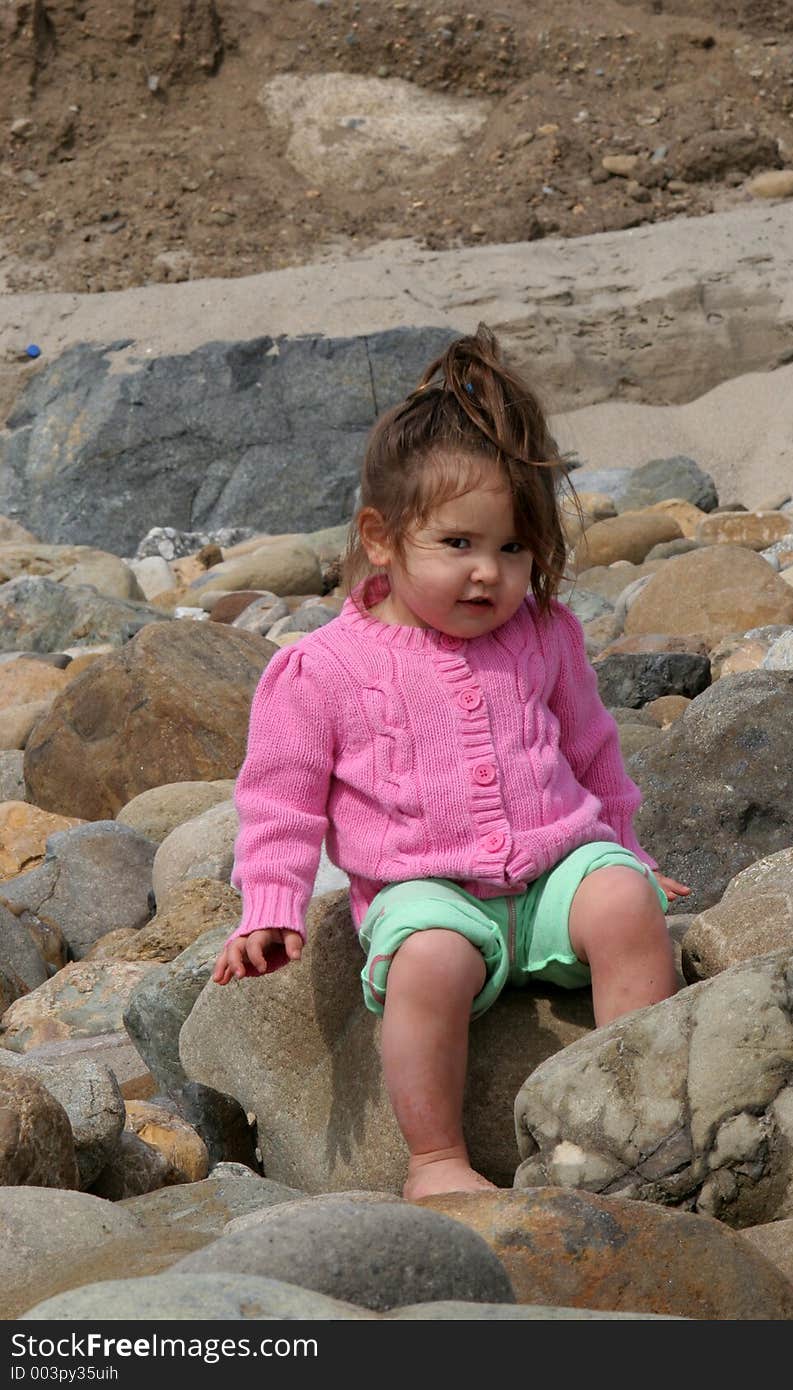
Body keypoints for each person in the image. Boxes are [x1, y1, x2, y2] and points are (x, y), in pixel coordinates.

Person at [212, 325, 689, 1200]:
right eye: (459, 545)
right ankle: (436, 1159)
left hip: (554, 870)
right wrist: (269, 905)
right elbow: (279, 800)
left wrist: (630, 851)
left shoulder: (544, 635)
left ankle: (636, 1109)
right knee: (427, 964)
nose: (489, 576)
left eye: (514, 550)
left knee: (625, 902)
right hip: (422, 889)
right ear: (383, 538)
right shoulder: (323, 668)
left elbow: (592, 752)